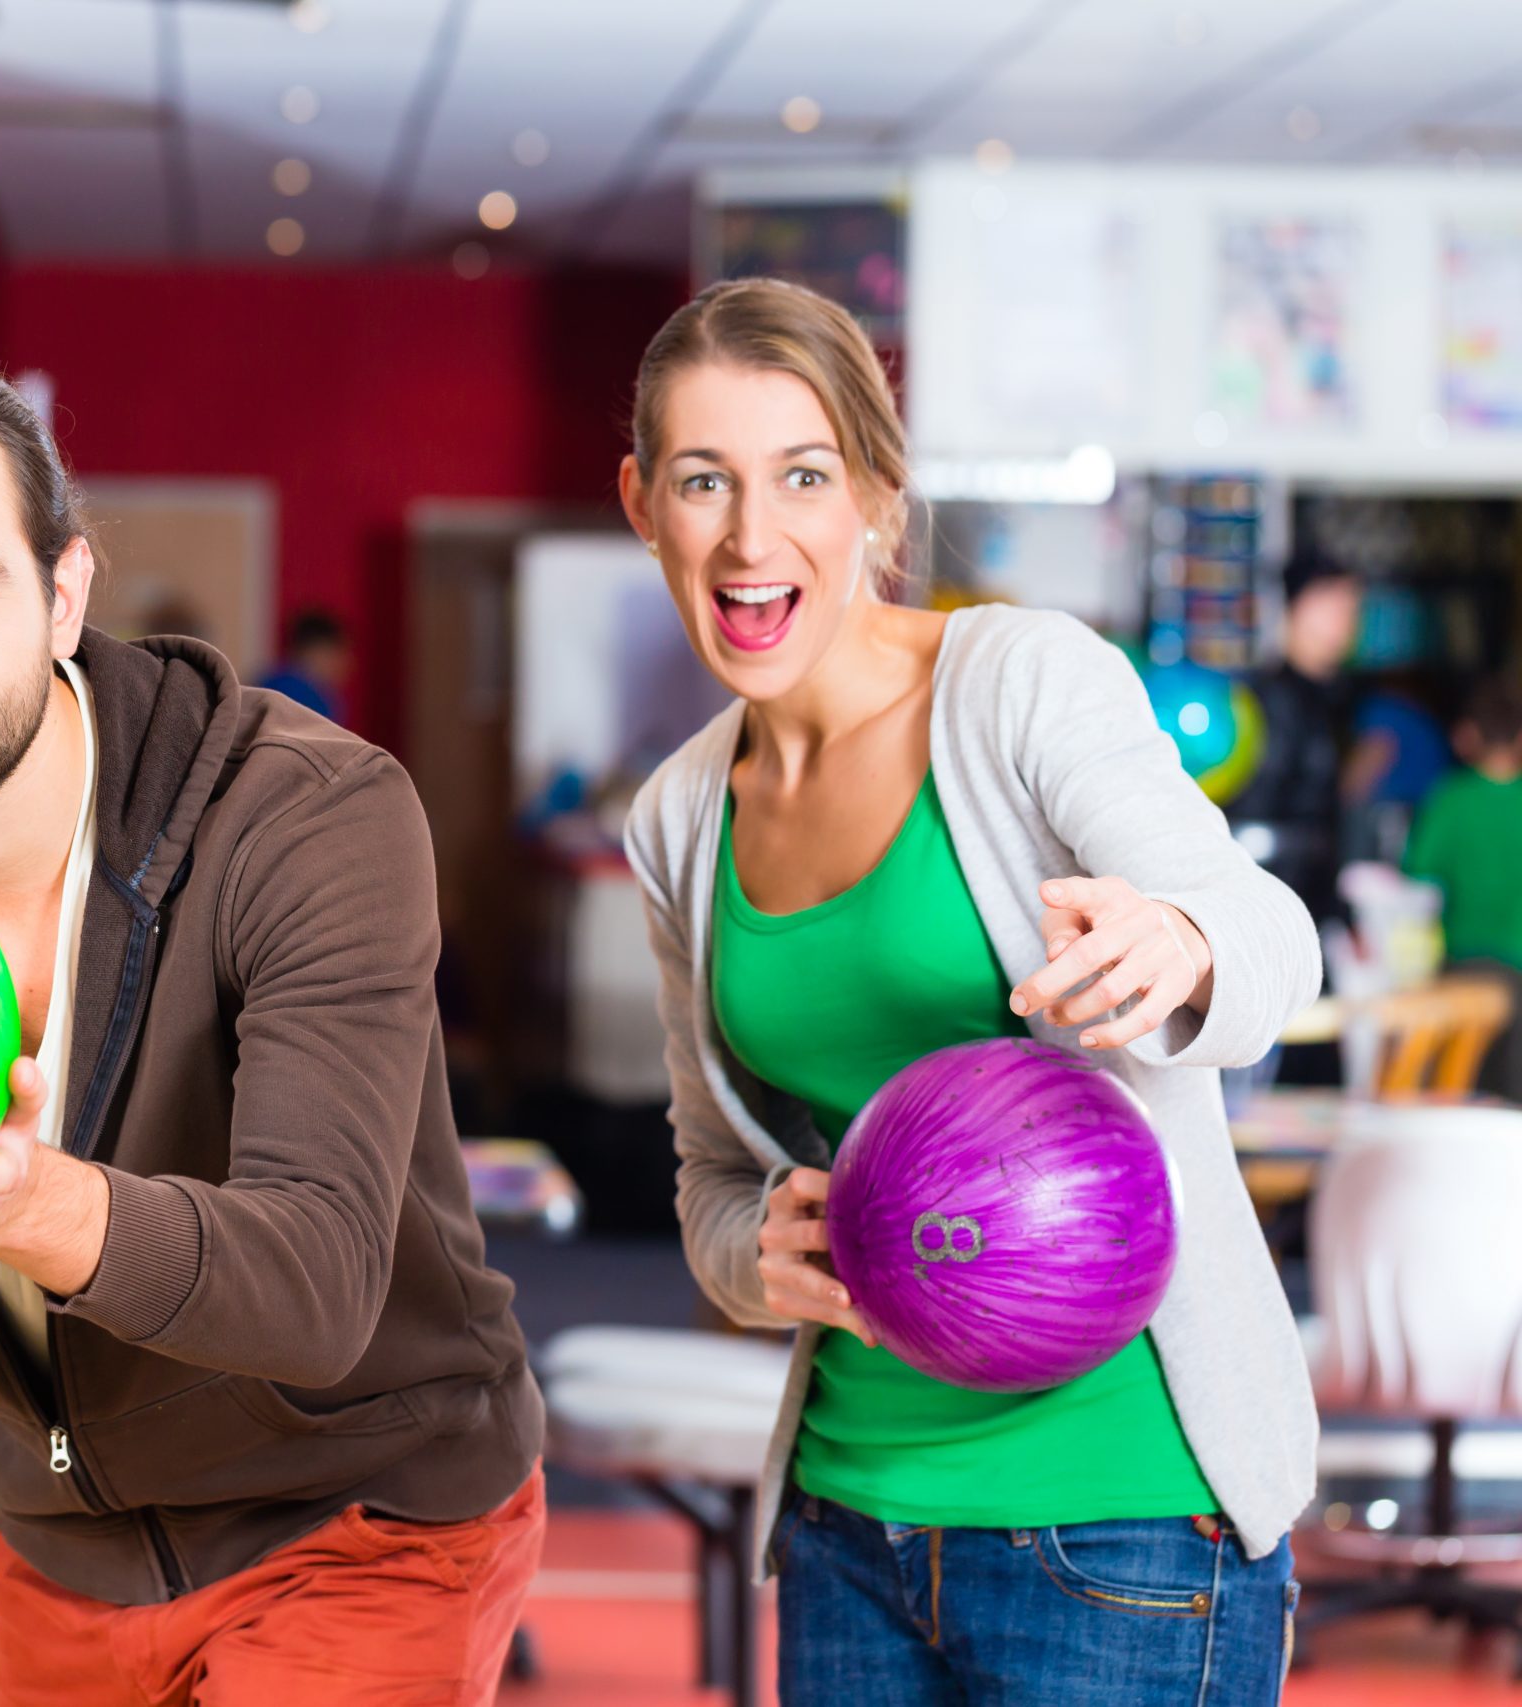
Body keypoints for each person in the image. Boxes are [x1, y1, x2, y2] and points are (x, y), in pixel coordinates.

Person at [0, 338, 544, 1706]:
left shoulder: (307, 816)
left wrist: (26, 1203)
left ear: (63, 591)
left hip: (358, 1518)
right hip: (57, 1542)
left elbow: (318, 1287)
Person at [614, 278, 1319, 1705]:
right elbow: (708, 1177)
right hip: (846, 1517)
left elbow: (1269, 936)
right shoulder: (679, 818)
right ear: (644, 504)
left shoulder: (1017, 685)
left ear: (876, 494)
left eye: (802, 474)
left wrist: (1179, 939)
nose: (753, 537)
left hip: (1120, 1513)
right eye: (705, 481)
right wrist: (760, 1254)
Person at [1223, 556, 1362, 930]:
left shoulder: (1341, 699)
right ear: (1295, 607)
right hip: (1260, 907)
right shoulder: (1259, 699)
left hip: (1314, 906)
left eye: (1352, 607)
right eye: (1332, 603)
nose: (1346, 619)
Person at [1403, 676, 1522, 1102]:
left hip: (1465, 962)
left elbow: (1416, 872)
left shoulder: (1450, 798)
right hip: (1517, 964)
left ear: (1470, 733)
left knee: (1456, 1090)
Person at [257, 608, 351, 724]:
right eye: (338, 654)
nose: (346, 665)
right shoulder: (316, 701)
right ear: (319, 651)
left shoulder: (264, 682)